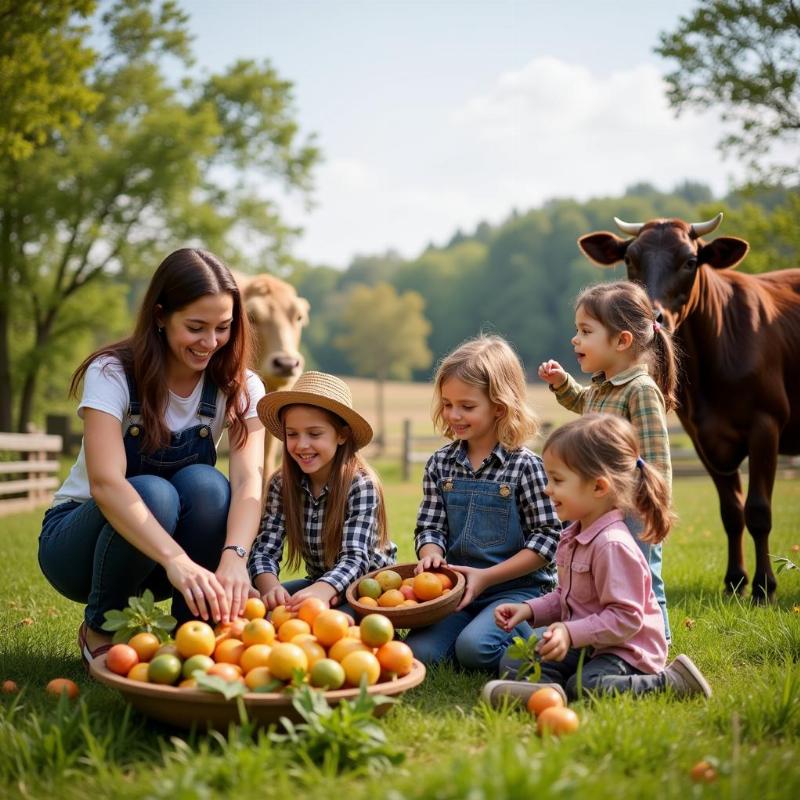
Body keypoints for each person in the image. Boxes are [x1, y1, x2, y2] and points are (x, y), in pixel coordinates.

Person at [38, 248, 266, 668]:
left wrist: (234, 558)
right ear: (160, 316)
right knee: (154, 494)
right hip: (79, 547)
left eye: (223, 328)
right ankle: (101, 626)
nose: (210, 343)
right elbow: (106, 483)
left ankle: (193, 632)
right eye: (195, 327)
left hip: (169, 558)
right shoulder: (112, 372)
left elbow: (250, 481)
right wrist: (178, 562)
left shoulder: (241, 385)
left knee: (209, 484)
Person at [483, 414, 711, 705]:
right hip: (589, 642)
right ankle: (548, 691)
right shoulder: (574, 533)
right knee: (517, 659)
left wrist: (569, 631)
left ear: (599, 487)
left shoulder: (611, 545)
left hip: (626, 650)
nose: (547, 489)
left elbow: (626, 619)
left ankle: (672, 682)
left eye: (557, 480)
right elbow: (566, 598)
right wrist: (527, 609)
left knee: (588, 684)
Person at [405, 335, 561, 671]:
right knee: (419, 653)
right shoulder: (440, 464)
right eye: (447, 404)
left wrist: (488, 577)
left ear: (499, 407)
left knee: (474, 650)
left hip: (517, 592)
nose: (453, 415)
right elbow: (430, 526)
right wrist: (431, 555)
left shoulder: (525, 466)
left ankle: (547, 627)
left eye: (467, 406)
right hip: (458, 591)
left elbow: (548, 538)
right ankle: (471, 633)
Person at [537, 280, 677, 642]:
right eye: (576, 331)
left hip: (633, 508)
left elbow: (656, 457)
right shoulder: (602, 386)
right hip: (601, 506)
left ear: (622, 341)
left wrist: (651, 505)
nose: (575, 340)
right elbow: (582, 402)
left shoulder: (641, 391)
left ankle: (656, 645)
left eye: (585, 331)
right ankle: (608, 633)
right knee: (606, 577)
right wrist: (562, 383)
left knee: (645, 575)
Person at [249, 371, 397, 612]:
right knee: (267, 612)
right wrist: (271, 589)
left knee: (324, 626)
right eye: (292, 434)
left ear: (342, 435)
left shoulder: (361, 484)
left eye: (314, 434)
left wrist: (321, 592)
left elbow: (356, 559)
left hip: (368, 588)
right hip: (319, 583)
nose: (302, 444)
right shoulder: (281, 484)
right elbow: (264, 550)